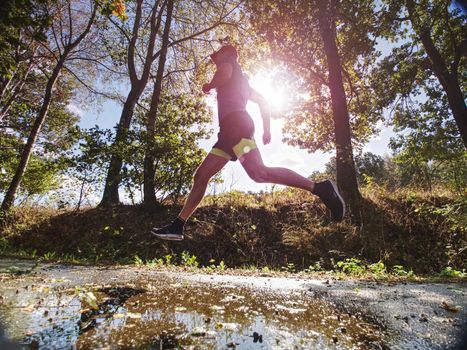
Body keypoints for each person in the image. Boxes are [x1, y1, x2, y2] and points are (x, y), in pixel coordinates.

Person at [151, 44, 345, 241]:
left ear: (227, 54)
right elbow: (264, 102)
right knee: (209, 176)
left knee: (256, 172)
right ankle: (177, 226)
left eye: (217, 57)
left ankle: (321, 188)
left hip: (235, 126)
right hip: (232, 131)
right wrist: (266, 129)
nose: (216, 60)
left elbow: (224, 74)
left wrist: (210, 85)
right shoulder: (243, 82)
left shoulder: (228, 62)